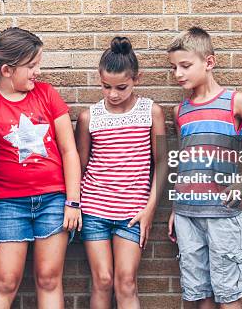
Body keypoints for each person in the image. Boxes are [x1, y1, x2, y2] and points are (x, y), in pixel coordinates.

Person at [0, 27, 81, 309]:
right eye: (31, 66)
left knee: (49, 279)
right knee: (5, 281)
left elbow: (69, 151)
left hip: (54, 201)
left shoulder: (46, 94)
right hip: (9, 205)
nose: (37, 72)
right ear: (7, 70)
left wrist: (73, 202)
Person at [166, 27, 242, 308]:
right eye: (173, 67)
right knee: (199, 295)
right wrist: (174, 208)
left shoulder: (234, 102)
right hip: (186, 214)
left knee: (228, 296)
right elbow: (185, 161)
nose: (177, 73)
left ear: (209, 62)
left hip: (221, 213)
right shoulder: (180, 112)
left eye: (185, 66)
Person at [75, 37, 167, 309]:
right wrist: (75, 205)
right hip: (94, 210)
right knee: (102, 280)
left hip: (133, 213)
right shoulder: (88, 117)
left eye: (121, 87)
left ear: (137, 79)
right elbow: (80, 166)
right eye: (106, 87)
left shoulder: (152, 112)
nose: (113, 94)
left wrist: (150, 209)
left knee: (126, 282)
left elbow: (161, 163)